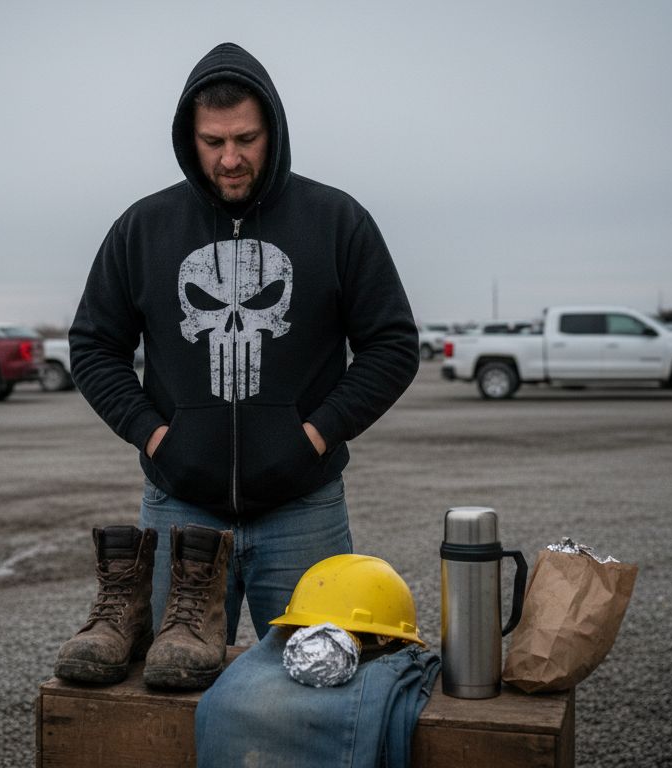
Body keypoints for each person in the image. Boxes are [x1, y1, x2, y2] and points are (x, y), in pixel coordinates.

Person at [69, 42, 418, 645]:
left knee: (318, 690)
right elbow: (94, 346)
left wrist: (314, 435)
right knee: (171, 691)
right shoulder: (142, 229)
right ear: (189, 139)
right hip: (179, 508)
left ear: (273, 131)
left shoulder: (337, 221)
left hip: (304, 509)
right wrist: (155, 436)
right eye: (213, 142)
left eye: (246, 139)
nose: (230, 158)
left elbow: (391, 345)